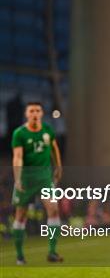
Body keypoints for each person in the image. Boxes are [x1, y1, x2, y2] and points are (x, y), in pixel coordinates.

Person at [11, 101, 63, 264]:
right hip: (26, 178)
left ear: (41, 113)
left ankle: (52, 252)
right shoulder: (20, 133)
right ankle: (20, 256)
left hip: (44, 178)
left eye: (37, 110)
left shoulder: (47, 130)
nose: (35, 113)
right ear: (27, 114)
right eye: (31, 111)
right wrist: (18, 178)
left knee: (53, 210)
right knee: (21, 215)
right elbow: (18, 157)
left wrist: (58, 166)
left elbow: (54, 147)